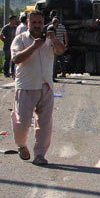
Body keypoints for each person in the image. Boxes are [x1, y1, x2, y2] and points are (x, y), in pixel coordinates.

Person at [11, 10, 65, 165]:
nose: (37, 26)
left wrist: (54, 40)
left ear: (43, 23)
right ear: (28, 23)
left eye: (39, 23)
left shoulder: (48, 39)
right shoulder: (20, 39)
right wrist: (34, 47)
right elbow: (16, 59)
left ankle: (40, 154)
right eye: (33, 23)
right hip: (26, 86)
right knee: (22, 123)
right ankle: (21, 145)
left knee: (45, 124)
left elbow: (61, 50)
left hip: (46, 86)